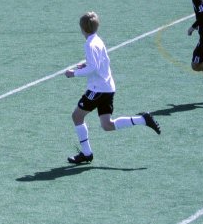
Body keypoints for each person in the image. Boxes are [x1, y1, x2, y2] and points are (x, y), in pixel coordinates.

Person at [65, 11, 161, 165]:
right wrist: (86, 64)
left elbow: (93, 68)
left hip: (97, 90)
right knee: (107, 125)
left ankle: (86, 153)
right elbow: (102, 62)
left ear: (83, 29)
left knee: (77, 116)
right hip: (108, 88)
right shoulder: (98, 40)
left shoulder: (89, 44)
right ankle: (143, 119)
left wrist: (74, 73)